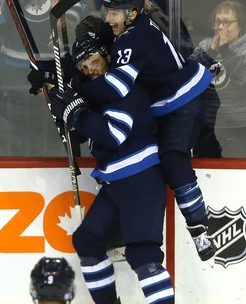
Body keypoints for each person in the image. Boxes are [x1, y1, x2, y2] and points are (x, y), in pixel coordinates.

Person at [73, 0, 216, 262]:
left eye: (114, 12)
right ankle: (129, 232)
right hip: (169, 103)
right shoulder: (129, 30)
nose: (108, 18)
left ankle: (199, 226)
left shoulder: (132, 39)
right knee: (148, 169)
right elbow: (92, 48)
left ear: (132, 14)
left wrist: (73, 92)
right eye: (107, 10)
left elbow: (114, 87)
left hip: (185, 99)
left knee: (172, 159)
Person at [49, 32, 174, 304]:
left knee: (143, 255)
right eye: (83, 67)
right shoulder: (98, 91)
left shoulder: (123, 85)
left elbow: (113, 133)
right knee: (87, 242)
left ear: (107, 56)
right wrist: (64, 113)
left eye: (93, 62)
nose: (89, 71)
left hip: (140, 180)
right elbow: (84, 134)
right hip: (115, 184)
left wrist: (77, 113)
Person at [0, 0, 87, 156]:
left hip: (55, 62)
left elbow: (79, 4)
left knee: (53, 127)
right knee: (17, 127)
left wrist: (63, 24)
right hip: (15, 61)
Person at [191, 0, 246, 158]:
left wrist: (225, 50)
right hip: (208, 126)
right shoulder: (205, 45)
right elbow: (189, 76)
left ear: (240, 24)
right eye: (218, 22)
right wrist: (211, 52)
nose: (221, 27)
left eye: (227, 22)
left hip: (241, 126)